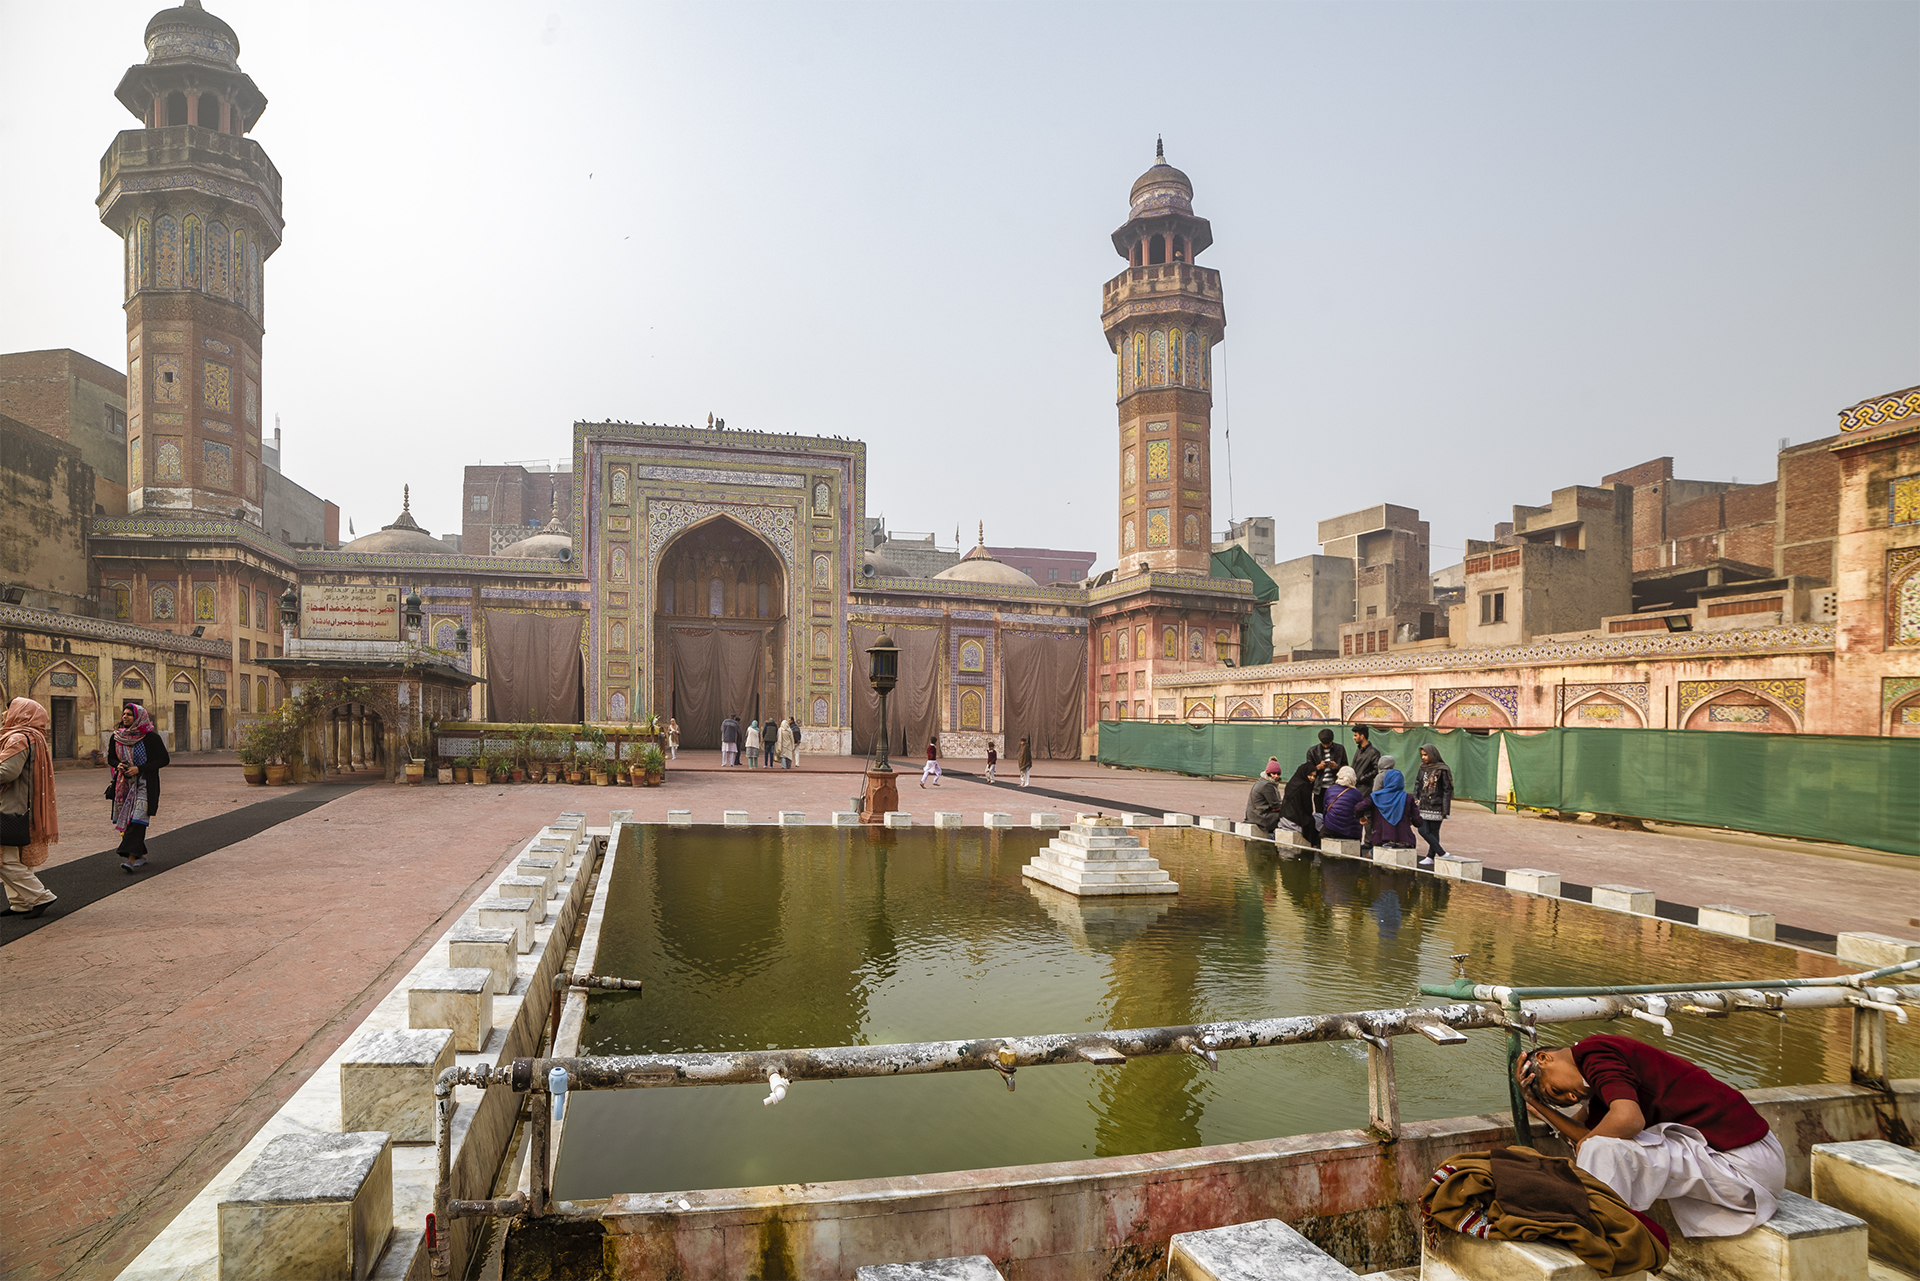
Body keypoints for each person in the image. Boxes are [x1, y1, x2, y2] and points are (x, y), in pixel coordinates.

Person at [1516, 1035, 1785, 1238]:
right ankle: (1601, 1233)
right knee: (1600, 1147)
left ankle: (1601, 1241)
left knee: (1602, 1149)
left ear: (1544, 1059)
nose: (1572, 1098)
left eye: (1556, 1089)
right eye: (1561, 1100)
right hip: (1743, 1162)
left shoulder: (1593, 1052)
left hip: (1744, 1163)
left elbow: (1627, 1120)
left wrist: (1588, 1142)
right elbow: (1586, 1136)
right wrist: (1538, 1105)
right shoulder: (1600, 1082)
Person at [0, 698, 59, 917]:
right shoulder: (34, 737)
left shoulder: (18, 738)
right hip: (25, 806)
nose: (5, 714)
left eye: (8, 709)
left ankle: (40, 896)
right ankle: (20, 902)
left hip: (10, 806)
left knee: (4, 861)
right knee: (13, 857)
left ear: (21, 713)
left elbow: (7, 772)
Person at [107, 702, 169, 872]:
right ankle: (141, 853)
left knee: (137, 818)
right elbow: (111, 758)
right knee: (128, 820)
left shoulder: (151, 738)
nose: (125, 717)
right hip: (124, 785)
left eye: (129, 714)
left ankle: (130, 859)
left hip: (144, 784)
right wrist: (118, 765)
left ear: (139, 718)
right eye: (124, 714)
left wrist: (140, 768)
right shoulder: (117, 737)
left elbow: (164, 759)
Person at [1359, 754, 1418, 851]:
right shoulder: (1396, 776)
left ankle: (1369, 843)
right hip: (1406, 838)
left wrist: (1379, 798)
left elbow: (1375, 791)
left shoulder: (1380, 776)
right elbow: (1417, 820)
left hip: (1381, 805)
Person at [1413, 744, 1453, 866]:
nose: (1424, 757)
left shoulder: (1443, 769)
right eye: (1422, 755)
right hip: (1423, 804)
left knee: (1434, 831)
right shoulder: (1422, 768)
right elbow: (1417, 784)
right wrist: (1416, 798)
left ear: (1432, 754)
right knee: (1423, 829)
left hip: (1436, 805)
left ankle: (1430, 856)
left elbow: (1447, 790)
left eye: (1426, 755)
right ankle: (1441, 853)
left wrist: (1445, 809)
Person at [1350, 726, 1383, 853]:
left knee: (1366, 813)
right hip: (1355, 786)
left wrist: (1363, 778)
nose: (1354, 738)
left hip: (1365, 787)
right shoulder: (1359, 751)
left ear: (1362, 736)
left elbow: (1376, 770)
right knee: (1356, 812)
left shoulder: (1373, 752)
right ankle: (1357, 838)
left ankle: (1368, 842)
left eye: (1355, 735)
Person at [1276, 760, 1321, 849]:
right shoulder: (1305, 787)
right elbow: (1308, 809)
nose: (1312, 778)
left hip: (1283, 819)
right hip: (1295, 822)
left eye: (1314, 776)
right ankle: (1315, 847)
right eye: (1310, 775)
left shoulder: (1291, 783)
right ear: (1304, 774)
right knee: (1320, 819)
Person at [1306, 728, 1347, 815]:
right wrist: (1318, 767)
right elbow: (1308, 770)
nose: (1325, 746)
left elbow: (1346, 768)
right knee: (1319, 814)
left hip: (1335, 787)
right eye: (1323, 744)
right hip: (1319, 789)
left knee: (1335, 813)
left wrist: (1337, 767)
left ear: (1332, 740)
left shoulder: (1340, 749)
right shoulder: (1312, 751)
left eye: (1328, 743)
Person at [1320, 765, 1364, 841]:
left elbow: (1325, 810)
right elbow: (1360, 812)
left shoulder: (1330, 790)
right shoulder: (1357, 794)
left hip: (1330, 828)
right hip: (1350, 831)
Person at [1244, 757, 1284, 836]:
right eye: (1273, 774)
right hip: (1259, 817)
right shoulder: (1267, 785)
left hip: (1253, 814)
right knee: (1286, 817)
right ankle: (1276, 838)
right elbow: (1275, 805)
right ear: (1268, 773)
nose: (1276, 776)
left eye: (1278, 774)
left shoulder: (1263, 781)